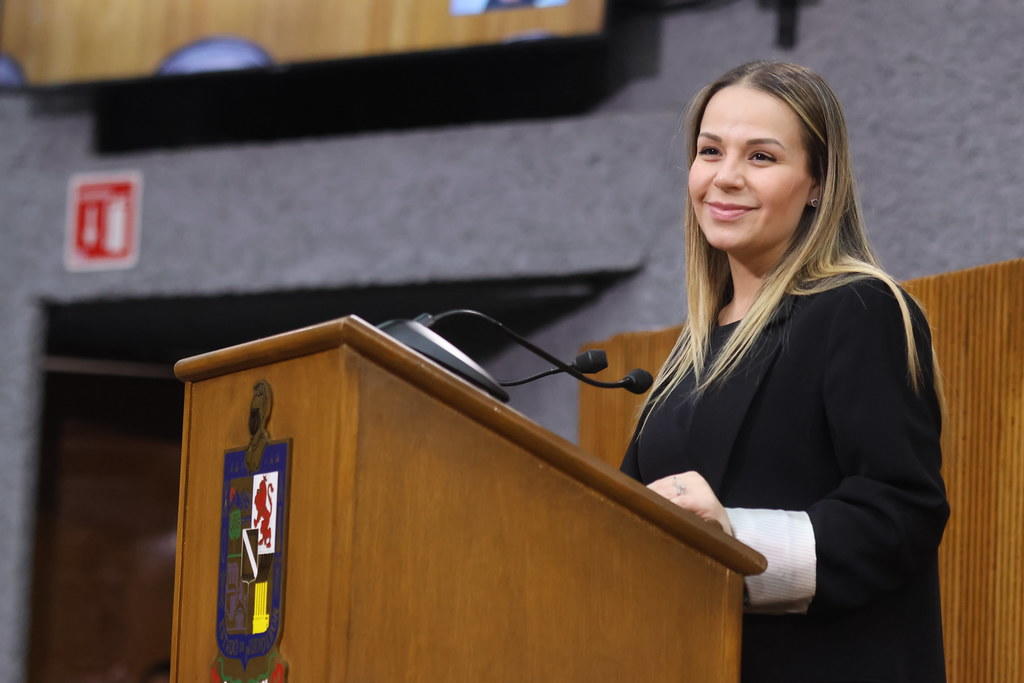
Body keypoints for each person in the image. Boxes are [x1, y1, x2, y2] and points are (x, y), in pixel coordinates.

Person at [620, 61, 948, 683]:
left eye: (761, 157)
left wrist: (736, 542)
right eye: (709, 151)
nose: (725, 177)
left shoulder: (858, 307)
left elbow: (899, 511)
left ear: (818, 183)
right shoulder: (694, 344)